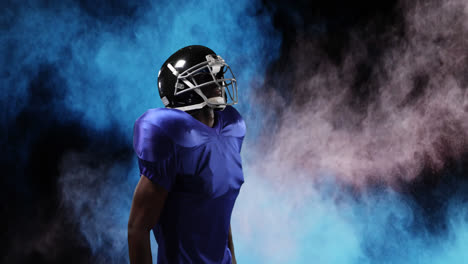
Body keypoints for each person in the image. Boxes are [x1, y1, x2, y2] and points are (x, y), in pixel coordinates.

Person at [128, 45, 245, 264]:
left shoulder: (231, 128)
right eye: (206, 75)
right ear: (181, 87)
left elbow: (218, 212)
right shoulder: (171, 133)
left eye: (218, 74)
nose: (218, 81)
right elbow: (138, 228)